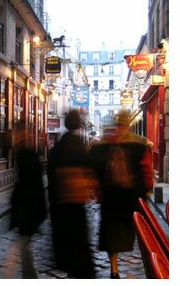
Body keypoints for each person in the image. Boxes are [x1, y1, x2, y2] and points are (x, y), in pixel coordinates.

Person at [89, 109, 154, 279]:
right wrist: (147, 189)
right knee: (140, 231)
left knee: (111, 233)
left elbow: (94, 169)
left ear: (116, 123)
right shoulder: (140, 143)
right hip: (133, 196)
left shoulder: (103, 143)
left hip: (110, 197)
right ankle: (148, 262)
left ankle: (114, 268)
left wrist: (98, 190)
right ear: (129, 124)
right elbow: (147, 171)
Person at [47, 109, 96, 278]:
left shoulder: (58, 147)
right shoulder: (81, 146)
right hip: (77, 204)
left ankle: (70, 270)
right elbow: (90, 171)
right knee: (79, 242)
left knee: (66, 243)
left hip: (61, 205)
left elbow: (51, 177)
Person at [9, 120, 47, 279]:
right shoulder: (25, 152)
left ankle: (30, 277)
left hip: (28, 208)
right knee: (24, 244)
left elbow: (28, 183)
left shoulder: (25, 153)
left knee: (24, 244)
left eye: (17, 132)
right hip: (30, 207)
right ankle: (29, 276)